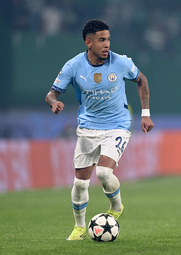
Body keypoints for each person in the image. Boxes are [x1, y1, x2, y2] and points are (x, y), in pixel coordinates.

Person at [45, 19, 154, 240]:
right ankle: (78, 227)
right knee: (80, 182)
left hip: (117, 125)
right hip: (87, 128)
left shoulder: (121, 62)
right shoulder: (73, 66)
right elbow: (51, 93)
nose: (107, 44)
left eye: (108, 39)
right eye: (101, 40)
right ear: (88, 42)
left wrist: (145, 114)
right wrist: (53, 103)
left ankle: (116, 206)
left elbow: (141, 80)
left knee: (104, 172)